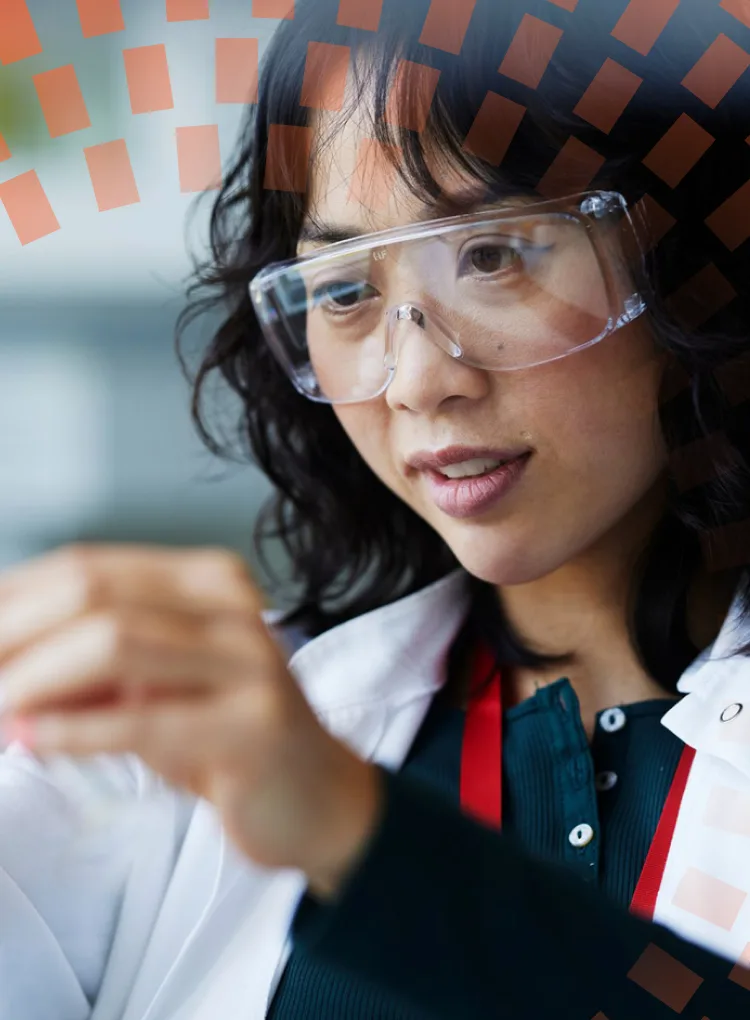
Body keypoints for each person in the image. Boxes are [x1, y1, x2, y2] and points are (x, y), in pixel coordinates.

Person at [1, 0, 750, 1017]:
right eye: (347, 287)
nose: (415, 380)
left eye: (491, 255)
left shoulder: (310, 784)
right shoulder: (172, 762)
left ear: (687, 252)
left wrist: (361, 840)